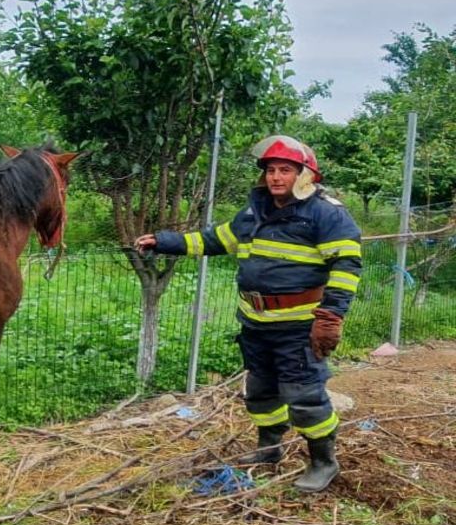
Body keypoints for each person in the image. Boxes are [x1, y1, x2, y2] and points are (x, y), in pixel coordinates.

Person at [135, 135, 362, 493]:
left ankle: (323, 462)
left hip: (298, 327)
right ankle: (269, 449)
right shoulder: (255, 210)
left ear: (304, 175)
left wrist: (330, 317)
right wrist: (164, 241)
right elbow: (214, 240)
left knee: (303, 396)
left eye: (284, 170)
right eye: (271, 170)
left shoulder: (326, 214)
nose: (275, 177)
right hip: (255, 324)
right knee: (260, 391)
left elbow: (347, 266)